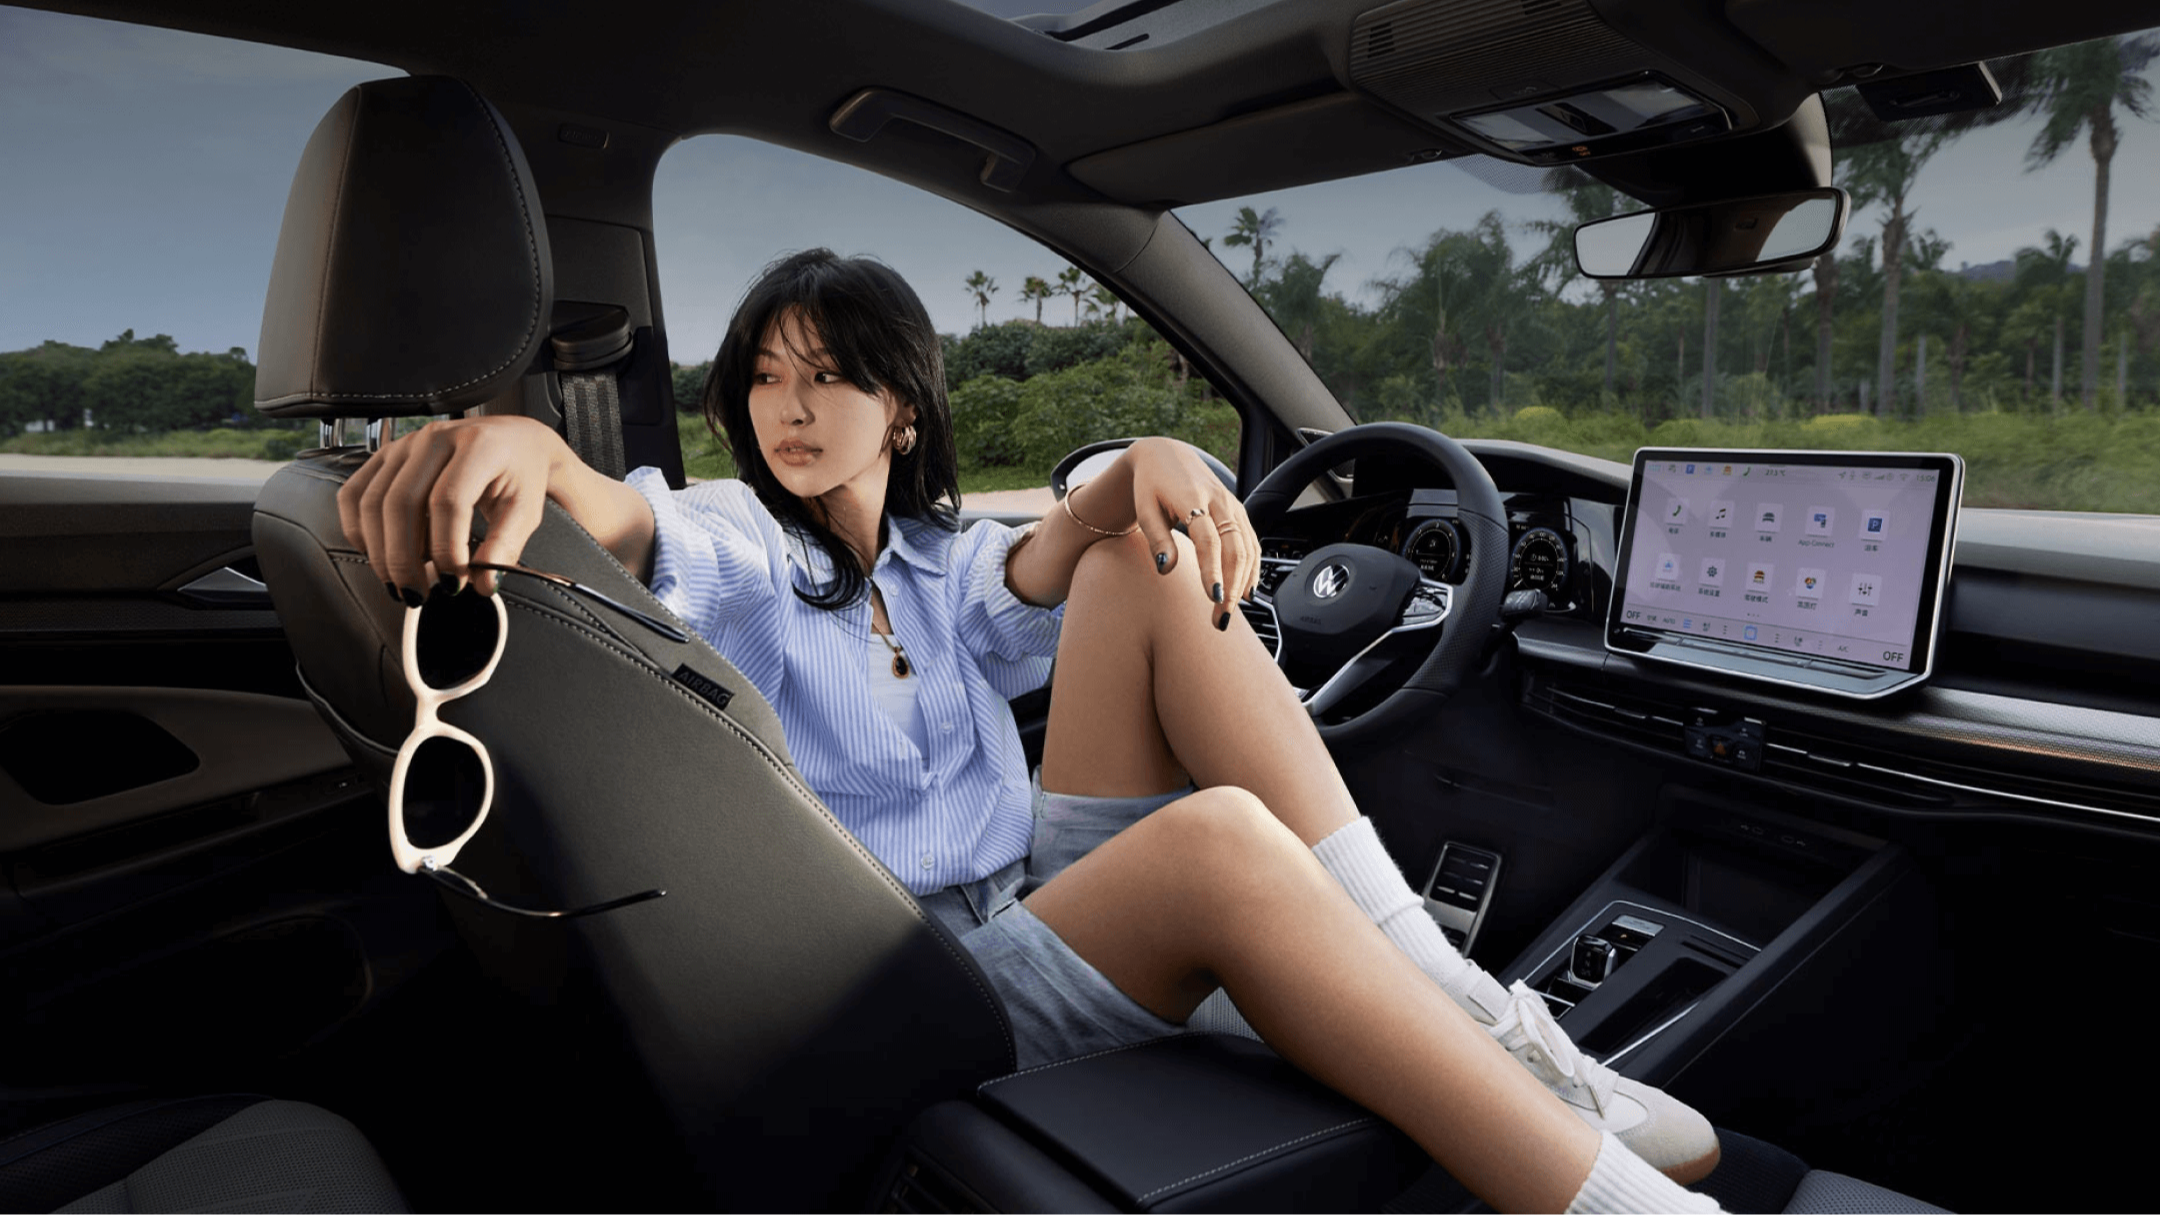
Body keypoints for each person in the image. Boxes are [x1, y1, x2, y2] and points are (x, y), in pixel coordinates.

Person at [339, 249, 1726, 1215]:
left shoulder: (940, 559)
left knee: (1141, 560)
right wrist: (530, 451)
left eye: (830, 376)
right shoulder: (743, 547)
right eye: (765, 378)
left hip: (1024, 907)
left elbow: (1060, 547)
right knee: (1226, 843)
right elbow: (627, 516)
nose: (792, 408)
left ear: (902, 405)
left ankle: (1452, 992)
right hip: (908, 985)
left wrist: (1145, 464)